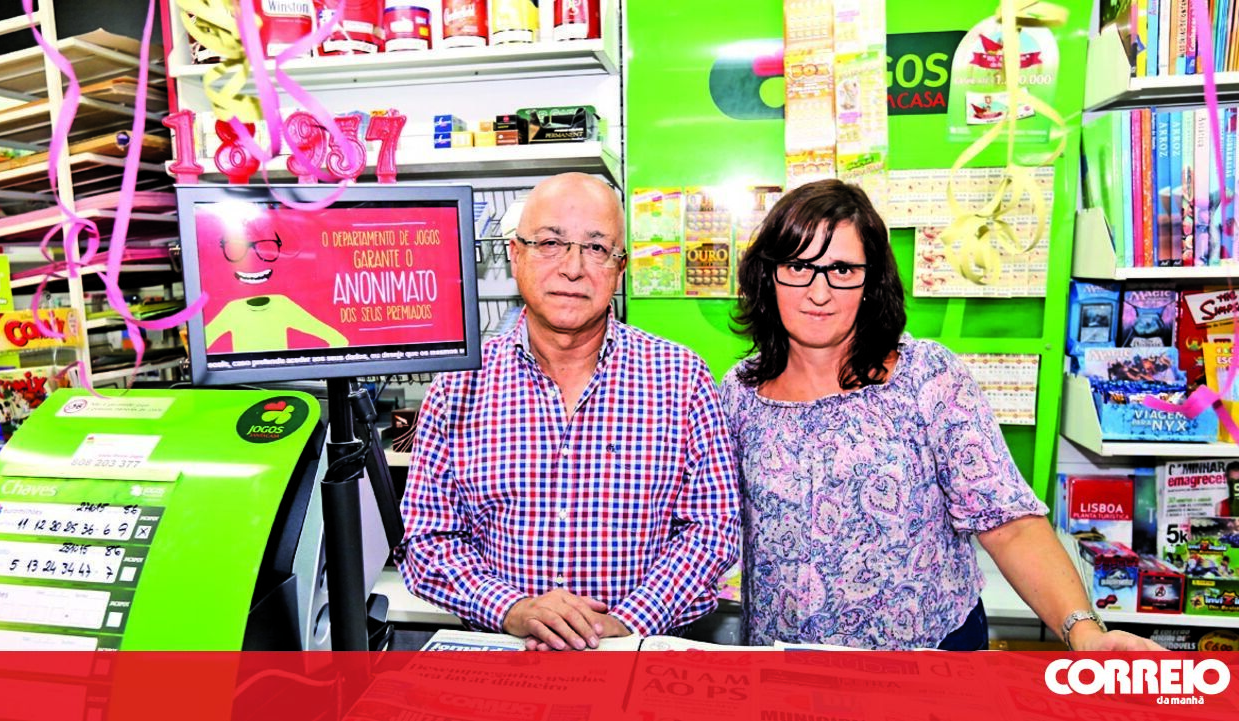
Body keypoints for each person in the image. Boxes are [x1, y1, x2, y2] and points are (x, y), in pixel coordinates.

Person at [721, 179, 1162, 651]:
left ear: (871, 281)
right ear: (768, 275)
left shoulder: (926, 377)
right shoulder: (738, 394)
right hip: (782, 662)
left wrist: (1084, 631)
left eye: (842, 269)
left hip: (929, 655)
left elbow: (1008, 523)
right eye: (798, 266)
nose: (819, 291)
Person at [399, 173, 740, 651]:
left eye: (597, 248)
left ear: (620, 268)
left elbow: (713, 529)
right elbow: (428, 540)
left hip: (638, 656)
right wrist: (512, 609)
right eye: (550, 243)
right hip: (506, 660)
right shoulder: (457, 386)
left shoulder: (681, 378)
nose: (573, 268)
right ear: (515, 254)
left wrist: (624, 624)